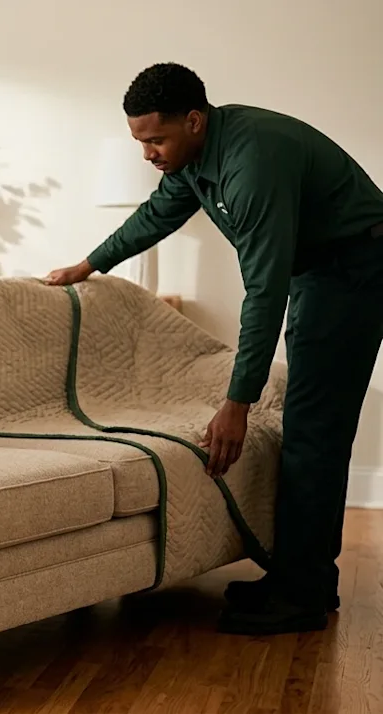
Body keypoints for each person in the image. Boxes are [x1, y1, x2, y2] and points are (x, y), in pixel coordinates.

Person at [45, 62, 383, 636]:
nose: (148, 154)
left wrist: (237, 403)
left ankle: (299, 598)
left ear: (194, 120)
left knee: (312, 432)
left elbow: (264, 291)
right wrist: (89, 263)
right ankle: (306, 581)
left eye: (156, 139)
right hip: (323, 273)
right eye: (140, 141)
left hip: (355, 270)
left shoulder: (252, 166)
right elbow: (157, 214)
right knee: (312, 431)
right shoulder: (196, 158)